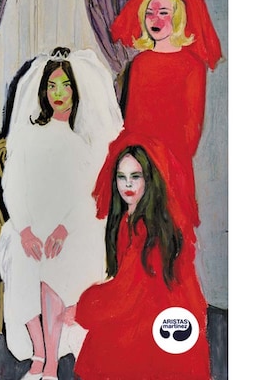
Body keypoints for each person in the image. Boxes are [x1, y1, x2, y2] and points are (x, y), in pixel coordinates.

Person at [0, 47, 123, 380]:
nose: (59, 93)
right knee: (20, 254)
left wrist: (64, 229)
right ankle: (39, 351)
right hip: (30, 221)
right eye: (52, 86)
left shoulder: (83, 142)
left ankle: (52, 363)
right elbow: (13, 184)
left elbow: (88, 195)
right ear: (43, 91)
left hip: (71, 224)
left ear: (76, 91)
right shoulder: (30, 135)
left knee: (58, 259)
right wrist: (25, 229)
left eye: (66, 86)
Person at [75, 132, 211, 380]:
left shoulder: (147, 228)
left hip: (159, 320)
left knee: (101, 345)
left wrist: (81, 308)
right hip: (152, 313)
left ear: (149, 180)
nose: (127, 185)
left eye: (135, 177)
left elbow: (126, 292)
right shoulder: (128, 219)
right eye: (122, 177)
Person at [110, 0, 223, 231]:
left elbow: (191, 130)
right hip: (140, 165)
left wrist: (165, 164)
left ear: (178, 17)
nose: (155, 19)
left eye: (163, 12)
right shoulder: (140, 64)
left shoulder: (192, 66)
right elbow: (132, 121)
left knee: (170, 234)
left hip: (174, 166)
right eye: (149, 13)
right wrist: (138, 164)